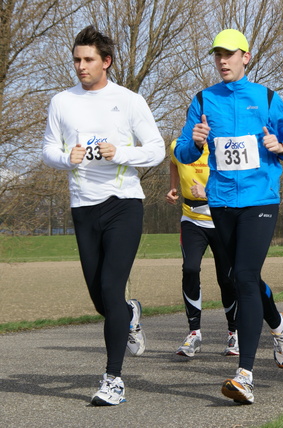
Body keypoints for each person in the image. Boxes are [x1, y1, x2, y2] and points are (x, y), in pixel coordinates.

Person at [174, 29, 283, 405]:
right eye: (217, 54)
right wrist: (195, 142)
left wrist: (281, 147)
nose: (222, 60)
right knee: (239, 276)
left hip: (260, 198)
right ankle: (280, 325)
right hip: (221, 202)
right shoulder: (202, 100)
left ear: (246, 57)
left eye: (230, 54)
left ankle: (245, 374)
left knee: (244, 276)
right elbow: (182, 151)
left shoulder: (266, 98)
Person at [42, 25, 164, 405]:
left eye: (88, 59)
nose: (80, 66)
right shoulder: (62, 102)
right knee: (101, 300)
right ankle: (129, 314)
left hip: (123, 203)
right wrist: (66, 158)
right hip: (83, 207)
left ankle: (113, 380)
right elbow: (47, 148)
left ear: (106, 62)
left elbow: (158, 149)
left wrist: (122, 154)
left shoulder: (128, 100)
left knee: (111, 288)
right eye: (77, 60)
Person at [166, 140, 239, 357]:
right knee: (189, 269)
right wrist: (173, 186)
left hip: (221, 219)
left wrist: (208, 192)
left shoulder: (223, 145)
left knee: (226, 278)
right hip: (191, 220)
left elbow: (237, 182)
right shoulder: (177, 146)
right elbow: (173, 162)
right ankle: (194, 333)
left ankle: (234, 333)